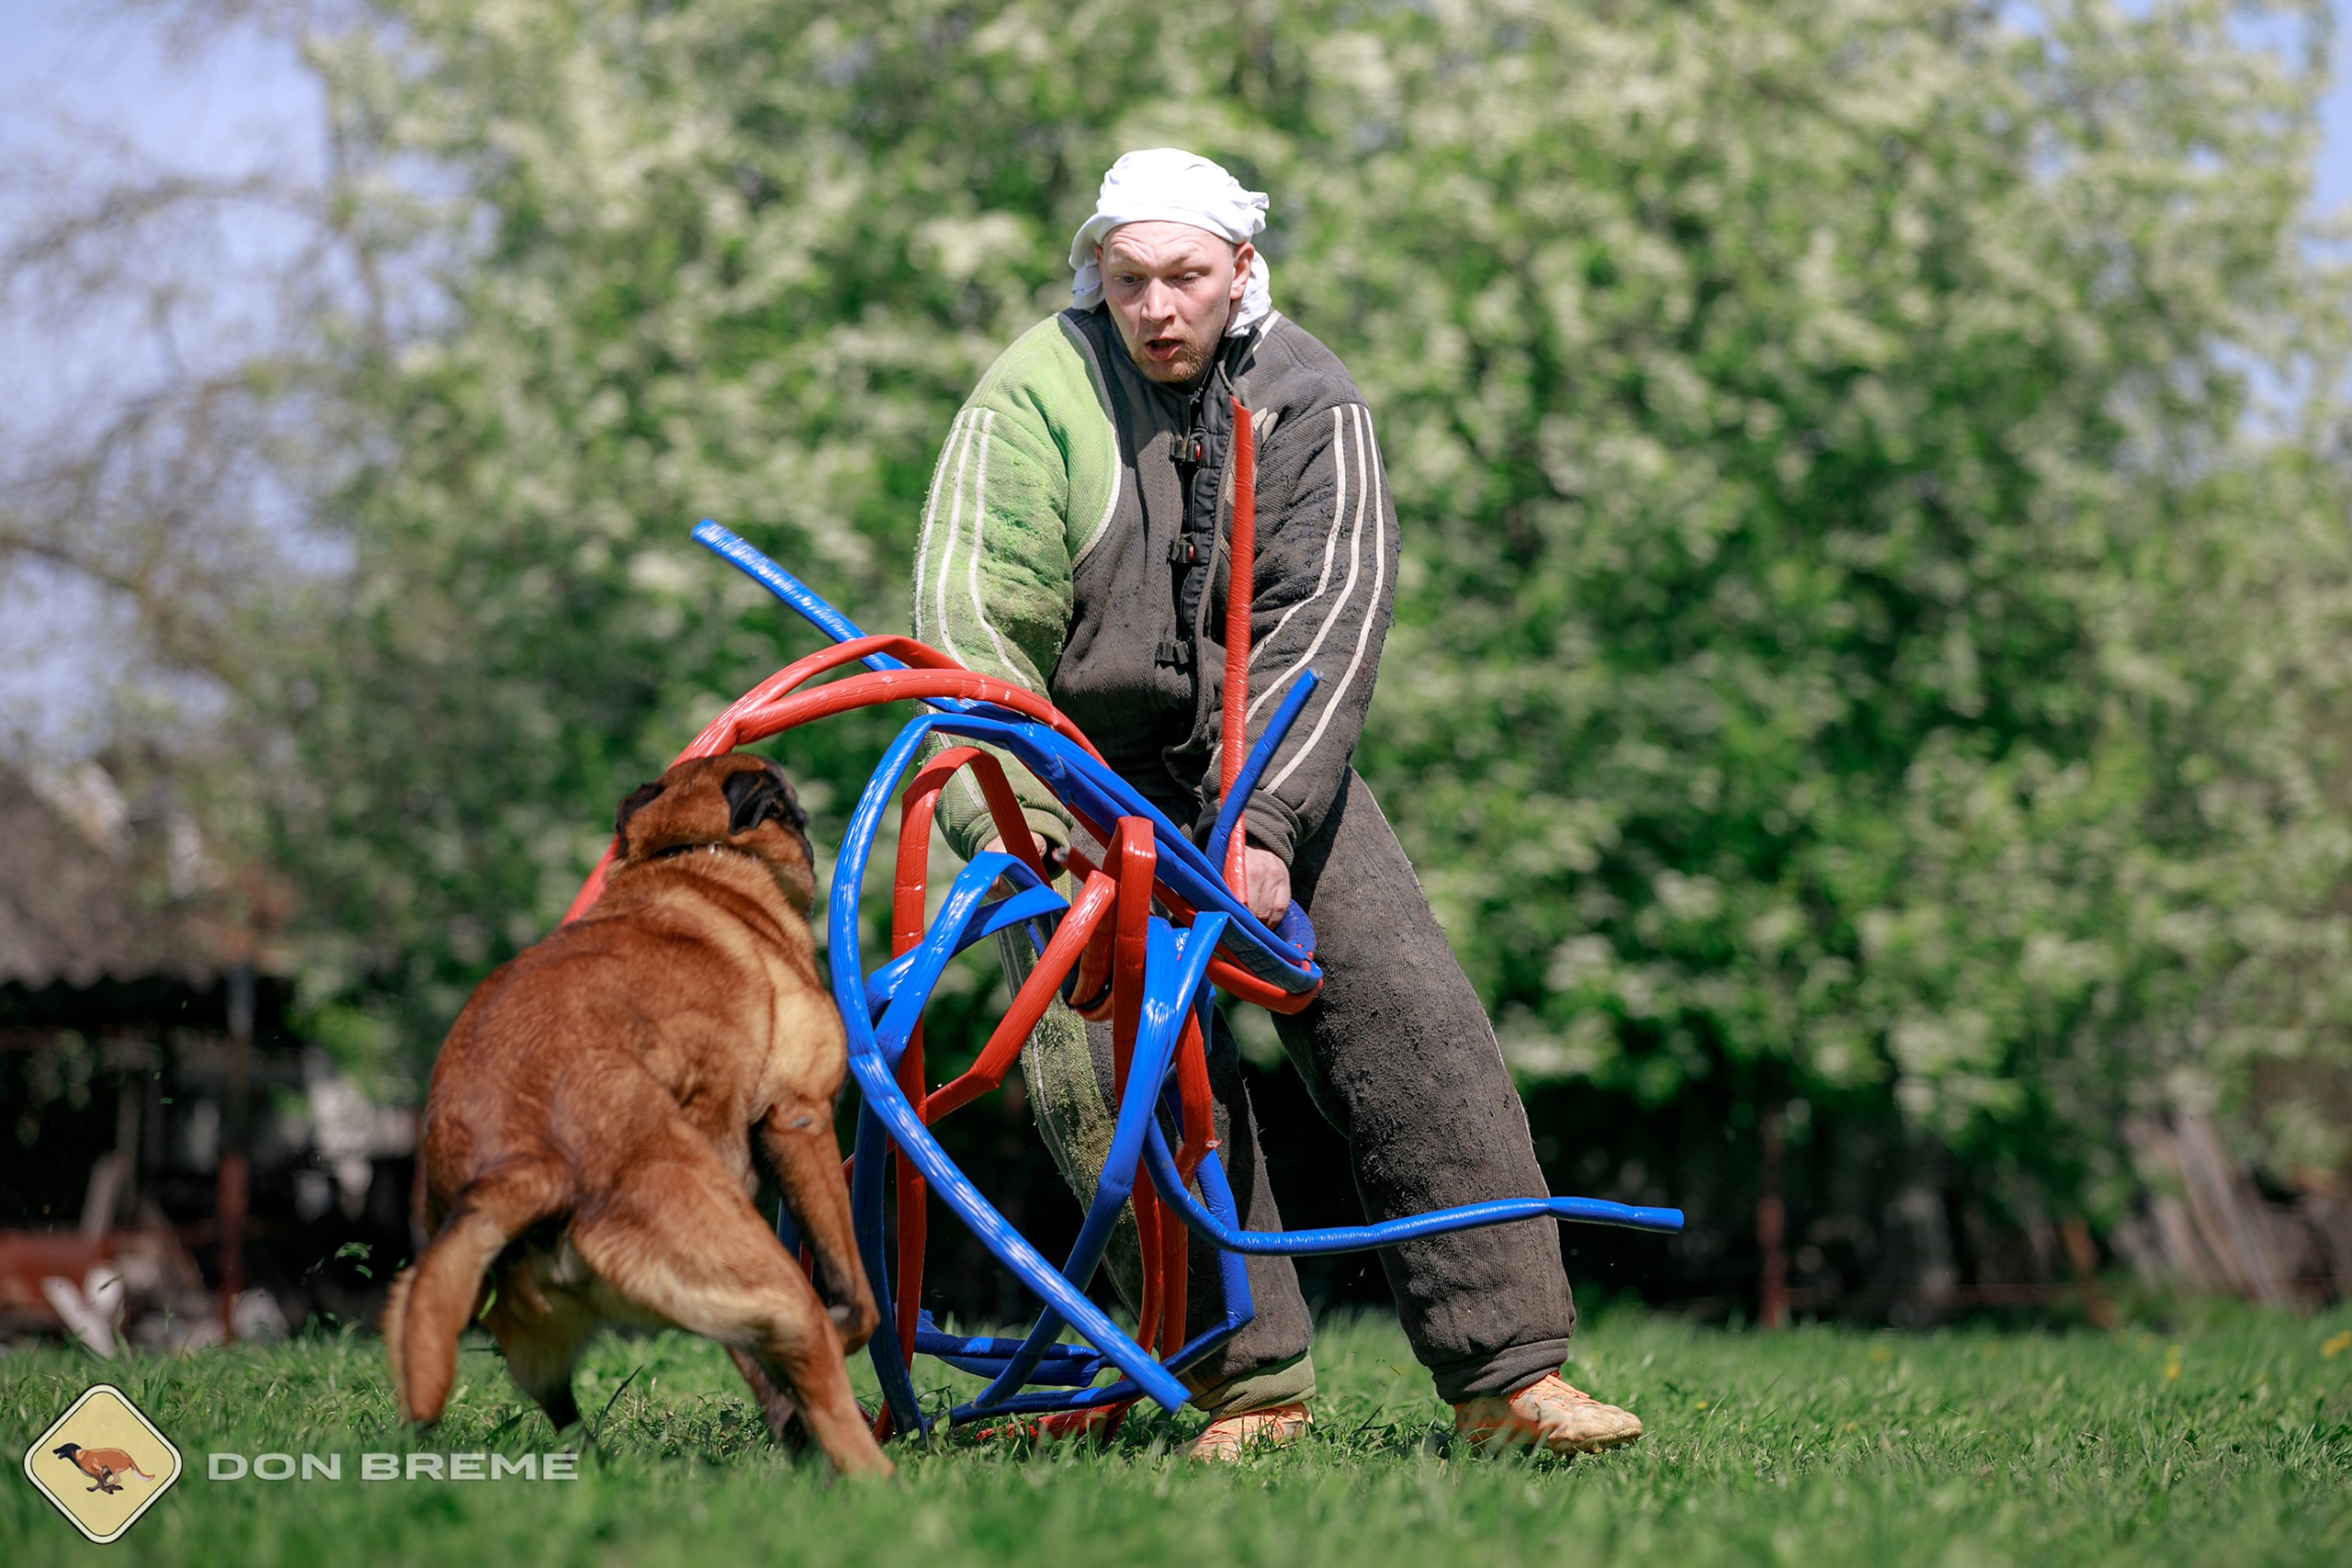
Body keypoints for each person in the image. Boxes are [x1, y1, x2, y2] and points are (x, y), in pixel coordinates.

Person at [911, 148, 1643, 1461]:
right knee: (1114, 1066)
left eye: (1185, 277)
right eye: (1129, 280)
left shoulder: (1311, 396)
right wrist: (1039, 838)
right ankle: (1248, 1392)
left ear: (1241, 269)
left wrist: (1261, 826)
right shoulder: (1031, 394)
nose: (1158, 307)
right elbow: (973, 634)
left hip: (1271, 766)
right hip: (1080, 780)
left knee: (1409, 1015)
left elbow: (1332, 623)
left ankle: (1508, 1379)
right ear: (1099, 276)